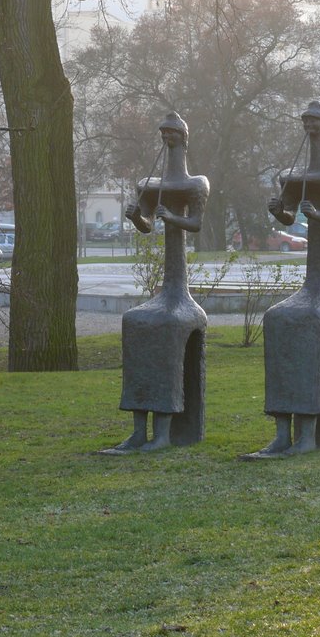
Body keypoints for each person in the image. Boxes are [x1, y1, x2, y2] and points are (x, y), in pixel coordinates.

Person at [243, 102, 320, 459]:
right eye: (305, 120)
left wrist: (319, 213)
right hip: (310, 288)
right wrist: (280, 210)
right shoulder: (293, 174)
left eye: (315, 121)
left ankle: (307, 434)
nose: (310, 126)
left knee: (309, 322)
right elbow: (289, 217)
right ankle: (281, 432)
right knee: (278, 317)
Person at [101, 112, 209, 453]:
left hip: (182, 297)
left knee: (166, 326)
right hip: (167, 293)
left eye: (173, 132)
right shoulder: (151, 184)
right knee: (135, 320)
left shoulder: (196, 184)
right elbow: (147, 225)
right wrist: (137, 217)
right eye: (163, 132)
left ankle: (162, 432)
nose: (167, 137)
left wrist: (172, 217)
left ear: (183, 137)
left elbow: (195, 224)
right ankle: (138, 430)